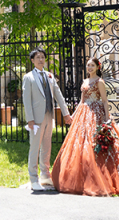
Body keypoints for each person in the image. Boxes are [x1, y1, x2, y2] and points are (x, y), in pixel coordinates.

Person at [50, 57, 119, 196]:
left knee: (95, 142)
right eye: (88, 65)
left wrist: (107, 118)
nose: (89, 68)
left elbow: (104, 100)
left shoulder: (99, 82)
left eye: (92, 65)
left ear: (97, 67)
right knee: (80, 143)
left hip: (96, 113)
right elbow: (81, 101)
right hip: (83, 113)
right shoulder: (85, 81)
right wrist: (73, 115)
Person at [23, 47, 72, 191]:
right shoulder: (28, 77)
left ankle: (45, 175)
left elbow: (59, 95)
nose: (40, 60)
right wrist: (30, 119)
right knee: (34, 148)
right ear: (32, 60)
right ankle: (33, 179)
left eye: (42, 57)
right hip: (36, 119)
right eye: (37, 57)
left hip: (49, 116)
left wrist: (66, 113)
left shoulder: (49, 76)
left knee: (46, 147)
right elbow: (26, 100)